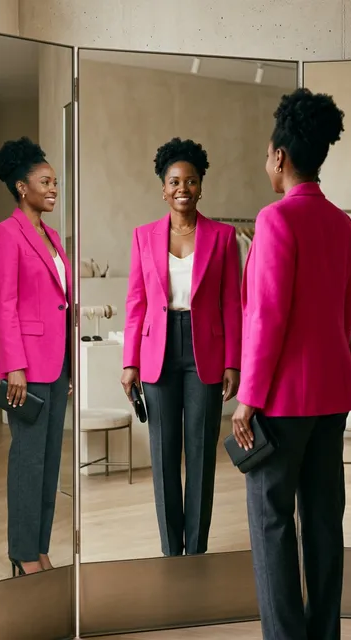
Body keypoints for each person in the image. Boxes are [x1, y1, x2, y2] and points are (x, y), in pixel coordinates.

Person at [232, 89, 351, 640]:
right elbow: (343, 313)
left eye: (267, 153)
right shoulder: (340, 222)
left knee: (272, 523)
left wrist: (248, 397)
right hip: (332, 396)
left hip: (282, 401)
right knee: (325, 524)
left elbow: (267, 318)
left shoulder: (275, 219)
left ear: (280, 156)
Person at [121, 138, 242, 557]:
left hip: (205, 351)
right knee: (163, 453)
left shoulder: (224, 237)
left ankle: (198, 550)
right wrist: (129, 363)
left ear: (201, 186)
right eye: (174, 181)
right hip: (157, 351)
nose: (182, 188)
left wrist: (233, 362)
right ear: (163, 188)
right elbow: (136, 301)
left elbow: (232, 303)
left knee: (201, 453)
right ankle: (172, 550)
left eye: (190, 181)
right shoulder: (142, 236)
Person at [0, 137, 72, 577]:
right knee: (28, 461)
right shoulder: (6, 233)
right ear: (23, 187)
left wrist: (70, 368)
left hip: (56, 367)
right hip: (28, 368)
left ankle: (39, 548)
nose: (53, 188)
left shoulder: (53, 237)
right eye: (45, 182)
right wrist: (15, 365)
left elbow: (61, 304)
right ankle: (22, 552)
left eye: (55, 181)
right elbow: (5, 303)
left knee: (50, 465)